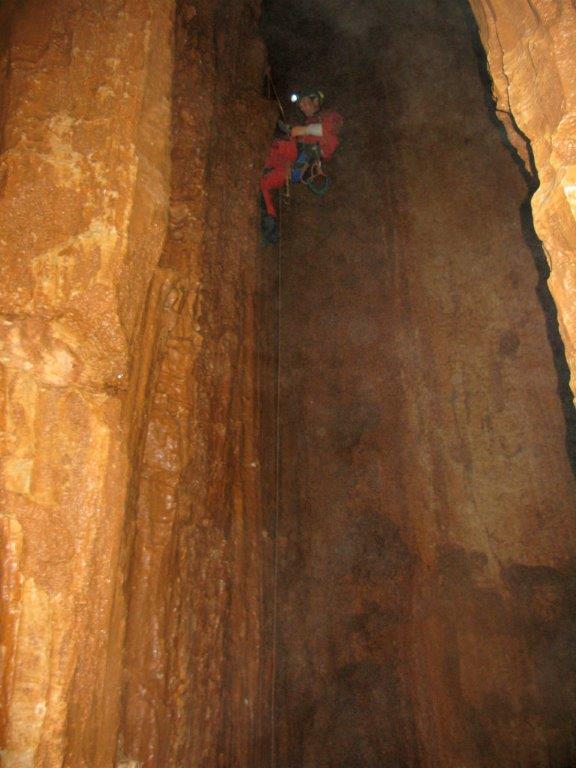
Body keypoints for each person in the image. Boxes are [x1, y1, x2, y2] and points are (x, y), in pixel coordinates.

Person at [260, 88, 343, 244]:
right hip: (293, 163)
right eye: (300, 105)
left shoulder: (330, 116)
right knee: (263, 183)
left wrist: (299, 130)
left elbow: (327, 131)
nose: (301, 107)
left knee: (273, 149)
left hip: (298, 159)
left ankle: (269, 231)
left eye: (304, 102)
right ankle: (269, 226)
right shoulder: (309, 124)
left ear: (315, 101)